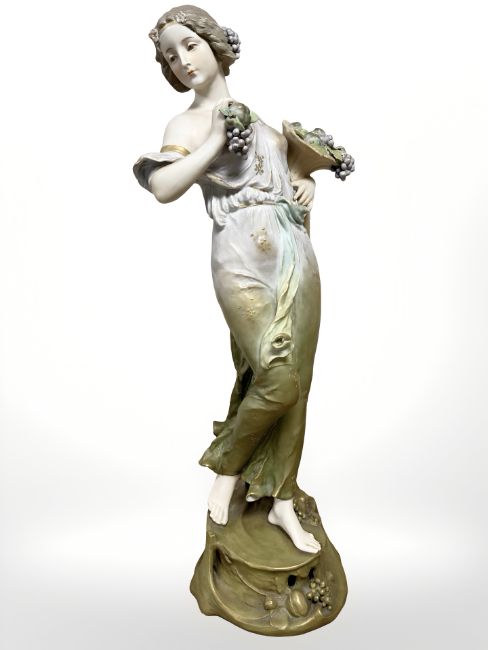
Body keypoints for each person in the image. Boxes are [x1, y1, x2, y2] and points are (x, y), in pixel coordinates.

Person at [133, 5, 321, 554]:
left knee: (298, 379)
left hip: (295, 252)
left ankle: (281, 498)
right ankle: (228, 469)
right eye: (171, 56)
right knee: (276, 375)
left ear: (215, 45)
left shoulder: (261, 124)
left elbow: (288, 180)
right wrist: (215, 140)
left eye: (190, 45)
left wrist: (306, 182)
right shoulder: (187, 125)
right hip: (241, 255)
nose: (183, 61)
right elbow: (163, 187)